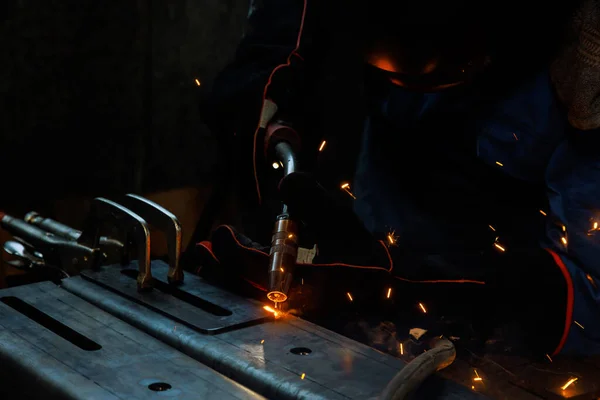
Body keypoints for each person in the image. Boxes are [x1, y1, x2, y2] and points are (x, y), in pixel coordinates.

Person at [199, 0, 600, 357]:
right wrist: (275, 57)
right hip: (396, 154)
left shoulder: (586, 52)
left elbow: (591, 295)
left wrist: (433, 293)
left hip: (525, 242)